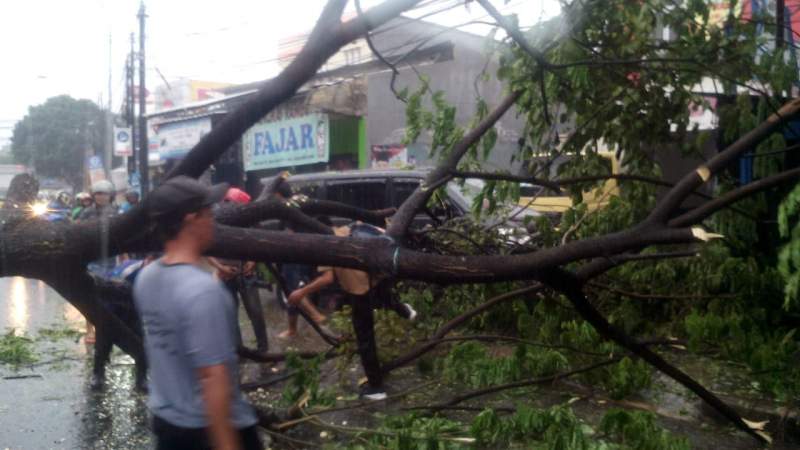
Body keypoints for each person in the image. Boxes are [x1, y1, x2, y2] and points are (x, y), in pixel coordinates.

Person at [133, 176, 261, 450]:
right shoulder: (203, 291)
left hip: (167, 424)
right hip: (208, 432)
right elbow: (212, 378)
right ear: (192, 218)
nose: (213, 219)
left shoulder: (146, 278)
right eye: (209, 212)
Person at [285, 222, 416, 400]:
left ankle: (377, 388)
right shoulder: (346, 229)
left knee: (365, 338)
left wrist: (301, 292)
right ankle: (407, 312)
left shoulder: (324, 245)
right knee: (385, 297)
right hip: (379, 276)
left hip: (359, 288)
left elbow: (327, 278)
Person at [209, 187, 269, 354]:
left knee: (255, 312)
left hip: (247, 273)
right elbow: (205, 251)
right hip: (224, 274)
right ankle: (239, 351)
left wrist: (253, 261)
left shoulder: (251, 222)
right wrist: (220, 268)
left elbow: (262, 243)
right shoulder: (215, 221)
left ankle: (263, 349)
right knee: (230, 314)